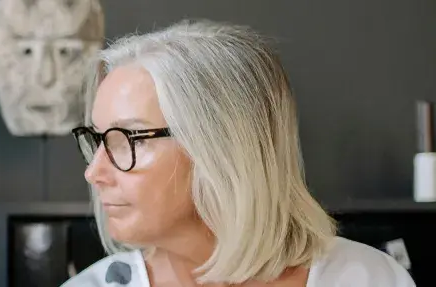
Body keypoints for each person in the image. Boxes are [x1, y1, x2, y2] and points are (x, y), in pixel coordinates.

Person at [65, 20, 414, 286]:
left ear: (221, 147)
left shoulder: (366, 278)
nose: (94, 172)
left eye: (130, 138)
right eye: (97, 140)